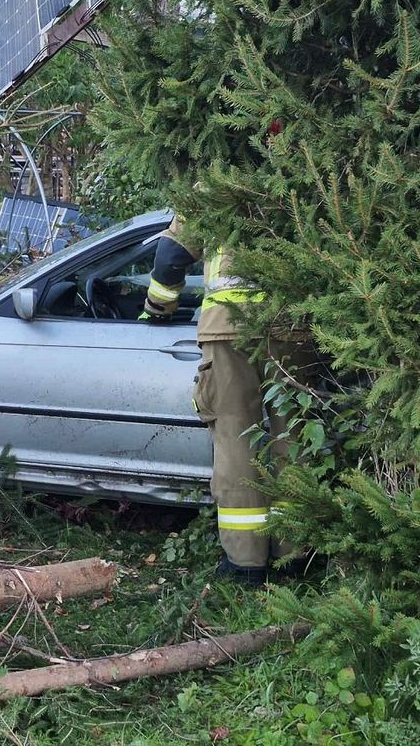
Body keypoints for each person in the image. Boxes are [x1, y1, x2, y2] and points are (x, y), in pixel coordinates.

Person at [143, 217, 314, 585]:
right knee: (296, 439)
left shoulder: (211, 177)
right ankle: (295, 554)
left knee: (236, 439)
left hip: (227, 330)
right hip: (294, 327)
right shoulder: (306, 168)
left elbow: (172, 253)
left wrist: (159, 306)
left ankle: (245, 561)